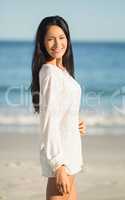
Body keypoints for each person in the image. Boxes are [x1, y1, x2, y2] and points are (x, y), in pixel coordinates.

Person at [30, 15, 86, 200]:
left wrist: (75, 123)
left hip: (70, 154)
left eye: (61, 37)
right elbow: (48, 122)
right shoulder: (49, 73)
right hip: (61, 159)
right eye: (50, 39)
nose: (57, 44)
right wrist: (58, 165)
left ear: (68, 39)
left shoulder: (62, 71)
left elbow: (60, 112)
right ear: (43, 43)